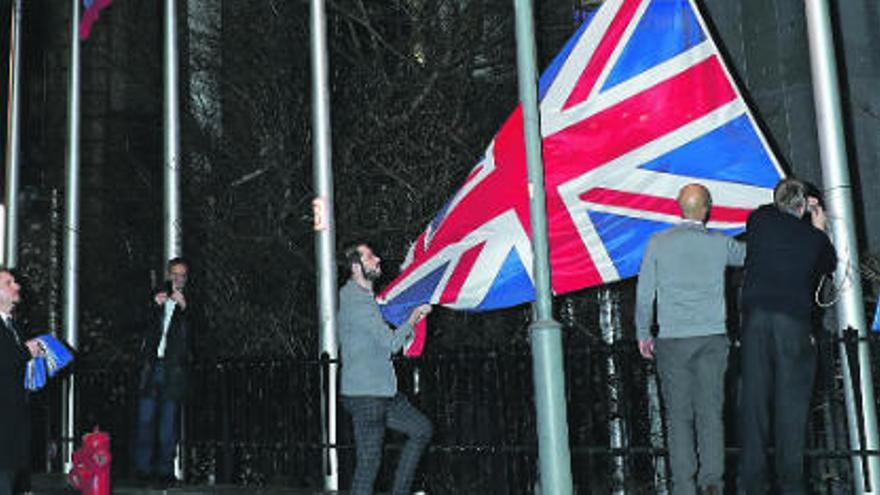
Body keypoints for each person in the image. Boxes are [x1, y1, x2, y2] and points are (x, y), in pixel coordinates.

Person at [635, 183, 745, 495]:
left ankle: (684, 486)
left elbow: (645, 297)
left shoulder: (658, 243)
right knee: (710, 414)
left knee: (679, 417)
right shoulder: (720, 244)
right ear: (707, 208)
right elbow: (751, 256)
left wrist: (644, 334)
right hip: (712, 338)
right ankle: (712, 483)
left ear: (678, 206)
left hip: (673, 341)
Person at [739, 178, 836, 494]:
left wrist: (795, 204)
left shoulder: (759, 221)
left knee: (754, 407)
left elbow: (771, 210)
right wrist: (818, 223)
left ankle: (752, 486)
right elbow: (830, 265)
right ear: (804, 206)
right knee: (791, 410)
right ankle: (792, 485)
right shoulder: (813, 240)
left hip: (754, 325)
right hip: (792, 325)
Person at [338, 243, 433, 495]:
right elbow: (391, 344)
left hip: (381, 393)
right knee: (369, 465)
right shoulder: (357, 303)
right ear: (356, 267)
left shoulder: (363, 299)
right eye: (370, 257)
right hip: (367, 397)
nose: (378, 259)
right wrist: (413, 317)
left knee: (421, 430)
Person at [134, 258, 193, 486]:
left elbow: (195, 340)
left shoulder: (189, 305)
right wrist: (152, 306)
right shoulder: (156, 299)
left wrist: (185, 309)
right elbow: (138, 326)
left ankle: (166, 471)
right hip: (152, 368)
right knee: (145, 419)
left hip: (173, 372)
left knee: (168, 424)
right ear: (168, 275)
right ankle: (143, 469)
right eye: (174, 274)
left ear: (186, 279)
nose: (177, 279)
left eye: (182, 275)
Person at [0, 269, 43, 495]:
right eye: (9, 283)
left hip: (15, 415)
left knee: (11, 474)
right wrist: (25, 352)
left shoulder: (14, 326)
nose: (16, 286)